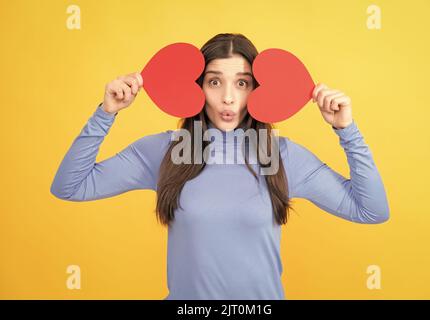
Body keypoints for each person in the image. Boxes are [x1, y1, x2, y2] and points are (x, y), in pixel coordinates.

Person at [50, 33, 390, 300]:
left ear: (258, 89)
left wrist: (346, 130)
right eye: (215, 81)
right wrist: (106, 112)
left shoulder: (283, 156)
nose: (228, 98)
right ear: (197, 87)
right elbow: (70, 186)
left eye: (241, 83)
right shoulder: (166, 151)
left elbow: (371, 210)